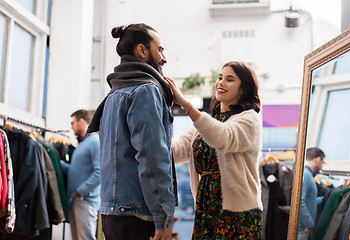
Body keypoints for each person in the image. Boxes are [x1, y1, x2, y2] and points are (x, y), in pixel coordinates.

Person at [86, 24, 176, 240]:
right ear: (142, 51)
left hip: (112, 212)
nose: (164, 58)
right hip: (138, 216)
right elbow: (152, 158)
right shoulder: (146, 90)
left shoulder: (114, 94)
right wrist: (164, 215)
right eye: (160, 49)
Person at [165, 61, 263, 239]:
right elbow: (175, 151)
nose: (221, 83)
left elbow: (223, 138)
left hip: (237, 210)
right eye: (220, 78)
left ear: (244, 89)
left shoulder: (250, 119)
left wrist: (186, 105)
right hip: (206, 205)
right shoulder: (205, 123)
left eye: (230, 79)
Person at [60, 109, 101, 240]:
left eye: (73, 123)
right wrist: (54, 160)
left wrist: (80, 192)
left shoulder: (95, 141)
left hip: (85, 201)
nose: (71, 127)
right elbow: (74, 170)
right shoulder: (83, 144)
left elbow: (100, 172)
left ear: (82, 121)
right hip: (77, 201)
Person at [298, 147, 325, 240]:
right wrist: (310, 224)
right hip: (302, 229)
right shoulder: (306, 174)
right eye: (323, 162)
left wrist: (323, 199)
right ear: (318, 159)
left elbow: (309, 200)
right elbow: (299, 201)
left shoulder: (307, 174)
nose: (322, 165)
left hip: (303, 228)